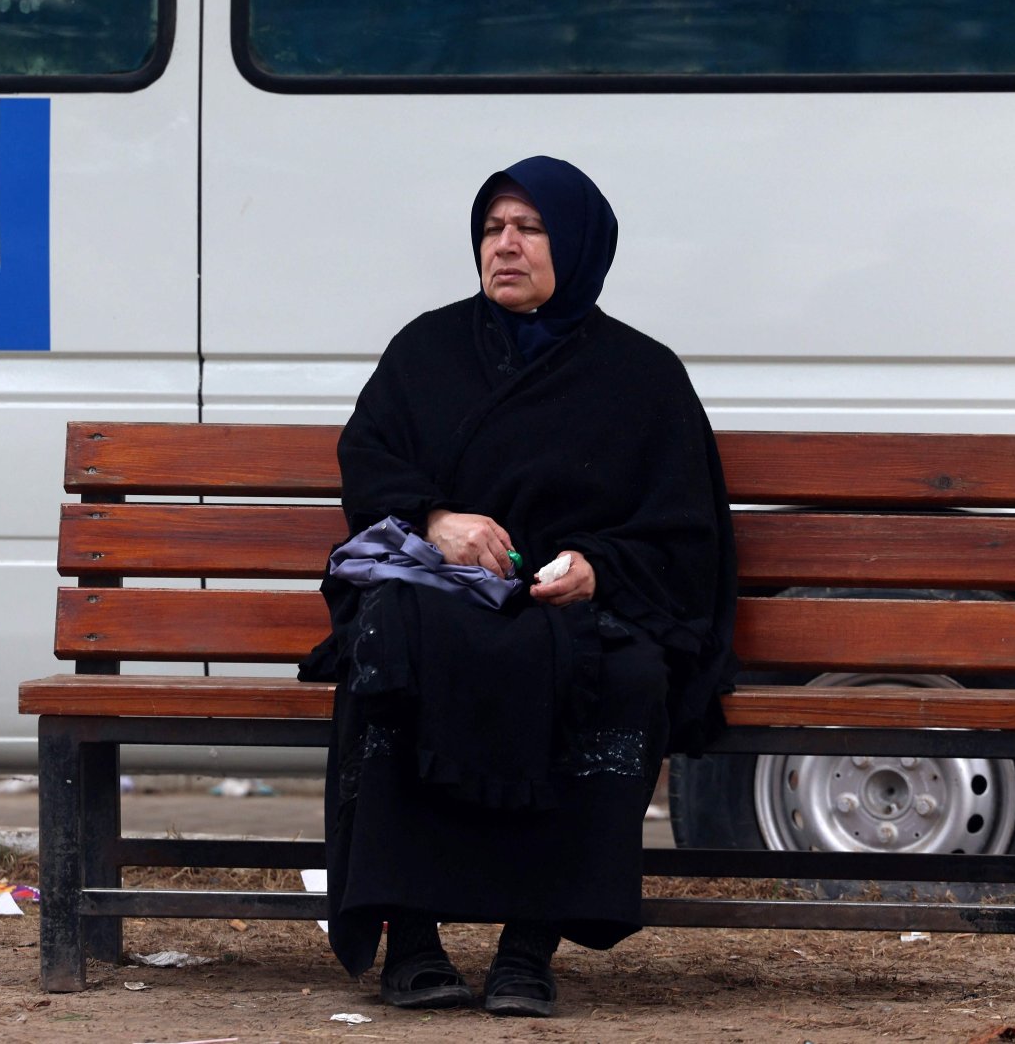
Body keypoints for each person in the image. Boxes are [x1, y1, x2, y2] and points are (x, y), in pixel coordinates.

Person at [300, 156, 738, 1018]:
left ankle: (528, 949)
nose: (505, 245)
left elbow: (686, 531)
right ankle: (413, 942)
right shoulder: (427, 348)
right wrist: (435, 520)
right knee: (393, 651)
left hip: (575, 609)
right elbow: (371, 462)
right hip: (441, 598)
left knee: (625, 675)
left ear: (575, 245)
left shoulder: (642, 376)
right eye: (493, 228)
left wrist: (598, 566)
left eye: (529, 229)